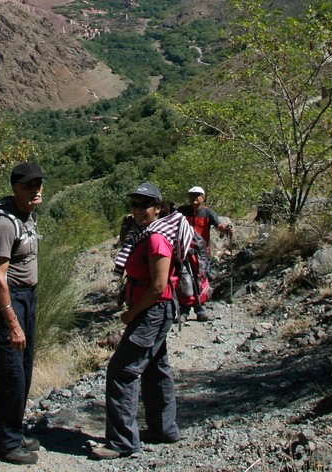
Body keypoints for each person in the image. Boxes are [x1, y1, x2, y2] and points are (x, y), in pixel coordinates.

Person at [93, 183, 186, 460]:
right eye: (135, 203)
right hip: (156, 311)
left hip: (152, 311)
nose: (138, 209)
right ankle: (163, 429)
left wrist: (131, 314)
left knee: (122, 371)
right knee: (156, 368)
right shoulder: (143, 234)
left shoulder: (156, 238)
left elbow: (158, 286)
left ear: (158, 208)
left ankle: (122, 442)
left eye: (145, 204)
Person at [0, 162, 44, 465]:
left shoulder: (27, 217)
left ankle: (15, 432)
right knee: (10, 374)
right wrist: (12, 323)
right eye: (28, 185)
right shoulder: (4, 223)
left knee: (24, 371)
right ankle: (4, 444)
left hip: (27, 299)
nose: (35, 190)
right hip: (7, 303)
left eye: (38, 184)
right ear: (15, 188)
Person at [179, 186, 234, 321]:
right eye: (191, 195)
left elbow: (218, 225)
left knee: (201, 279)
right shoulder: (181, 211)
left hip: (202, 252)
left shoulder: (208, 213)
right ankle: (184, 311)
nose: (194, 198)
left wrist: (227, 229)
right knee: (184, 280)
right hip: (184, 251)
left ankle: (200, 309)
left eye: (197, 195)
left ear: (203, 198)